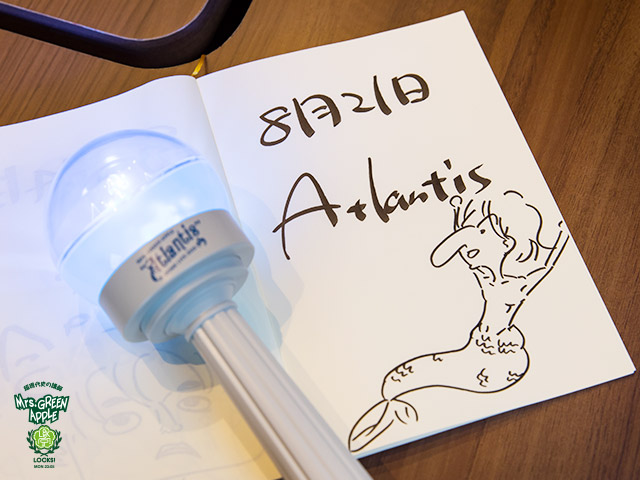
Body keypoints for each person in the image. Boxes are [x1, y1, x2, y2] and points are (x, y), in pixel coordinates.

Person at [348, 190, 568, 452]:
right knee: (398, 381)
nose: (474, 237)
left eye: (484, 231)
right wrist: (460, 224)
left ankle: (397, 418)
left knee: (412, 388)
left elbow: (541, 270)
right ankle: (389, 416)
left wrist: (557, 243)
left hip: (495, 359)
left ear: (507, 243)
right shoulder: (487, 274)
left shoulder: (513, 284)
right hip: (477, 348)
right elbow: (448, 252)